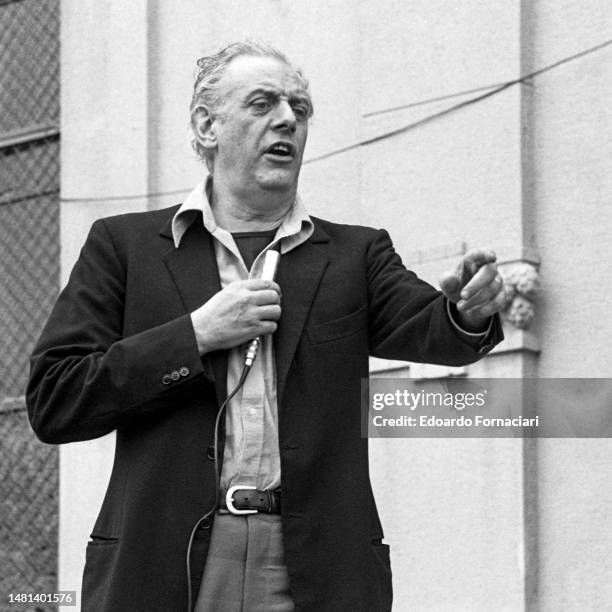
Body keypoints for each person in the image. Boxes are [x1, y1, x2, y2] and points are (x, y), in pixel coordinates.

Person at [27, 41, 505, 612]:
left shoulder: (356, 254)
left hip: (314, 566)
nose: (287, 119)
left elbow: (436, 329)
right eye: (263, 103)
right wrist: (196, 335)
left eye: (299, 109)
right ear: (208, 126)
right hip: (163, 564)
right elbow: (55, 399)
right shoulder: (123, 247)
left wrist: (467, 313)